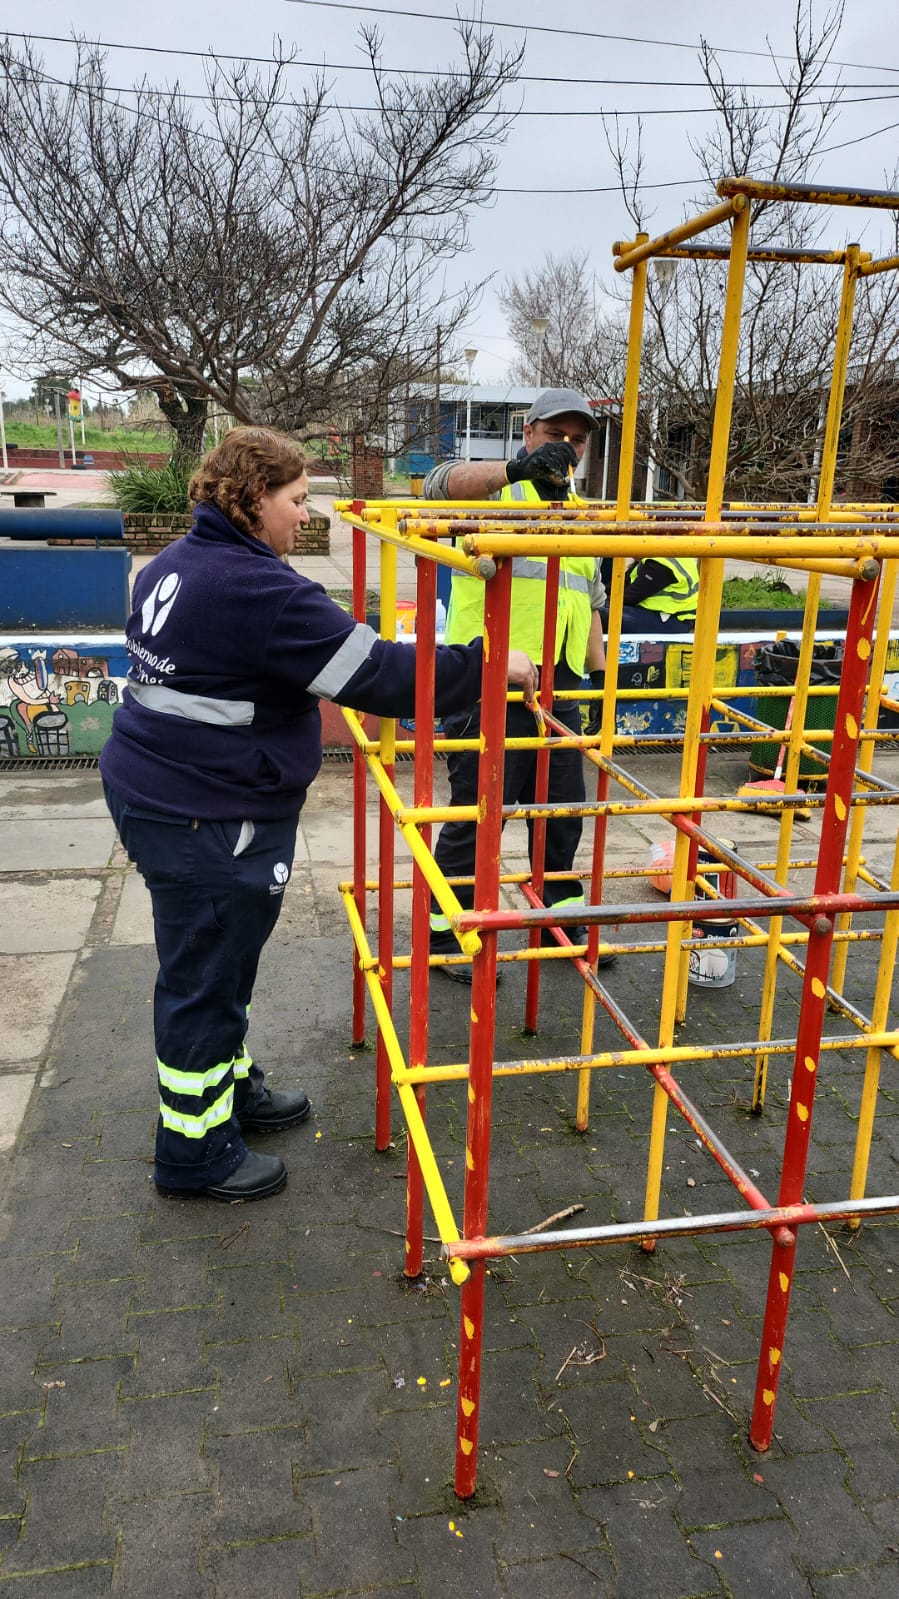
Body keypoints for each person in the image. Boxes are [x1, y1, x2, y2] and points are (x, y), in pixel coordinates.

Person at [100, 427, 537, 1202]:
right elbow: (378, 675)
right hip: (205, 811)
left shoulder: (176, 565)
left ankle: (227, 1095)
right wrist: (489, 665)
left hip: (161, 792)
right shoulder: (259, 591)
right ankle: (192, 1154)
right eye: (297, 500)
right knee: (203, 977)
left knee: (220, 965)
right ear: (251, 498)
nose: (307, 517)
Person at [423, 387, 615, 982]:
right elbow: (435, 485)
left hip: (560, 686)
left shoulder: (583, 512)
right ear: (528, 432)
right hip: (487, 679)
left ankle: (556, 912)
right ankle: (449, 928)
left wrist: (602, 673)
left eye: (578, 440)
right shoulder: (495, 490)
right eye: (556, 436)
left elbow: (592, 599)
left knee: (561, 809)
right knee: (481, 810)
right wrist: (515, 469)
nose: (567, 448)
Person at [598, 554, 699, 636]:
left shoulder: (661, 563)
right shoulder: (656, 557)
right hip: (657, 616)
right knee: (598, 607)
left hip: (670, 623)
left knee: (597, 613)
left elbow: (630, 596)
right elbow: (616, 587)